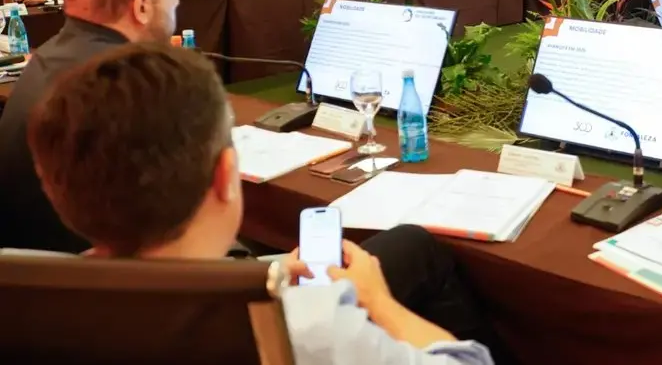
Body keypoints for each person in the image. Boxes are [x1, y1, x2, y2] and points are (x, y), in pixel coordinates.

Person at [24, 42, 497, 364]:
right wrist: (376, 300)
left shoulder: (36, 301)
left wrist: (272, 265)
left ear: (53, 187)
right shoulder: (307, 323)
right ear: (226, 177)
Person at [0, 0, 178, 253]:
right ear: (142, 7)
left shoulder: (52, 55)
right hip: (91, 281)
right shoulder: (120, 79)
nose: (176, 3)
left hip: (32, 270)